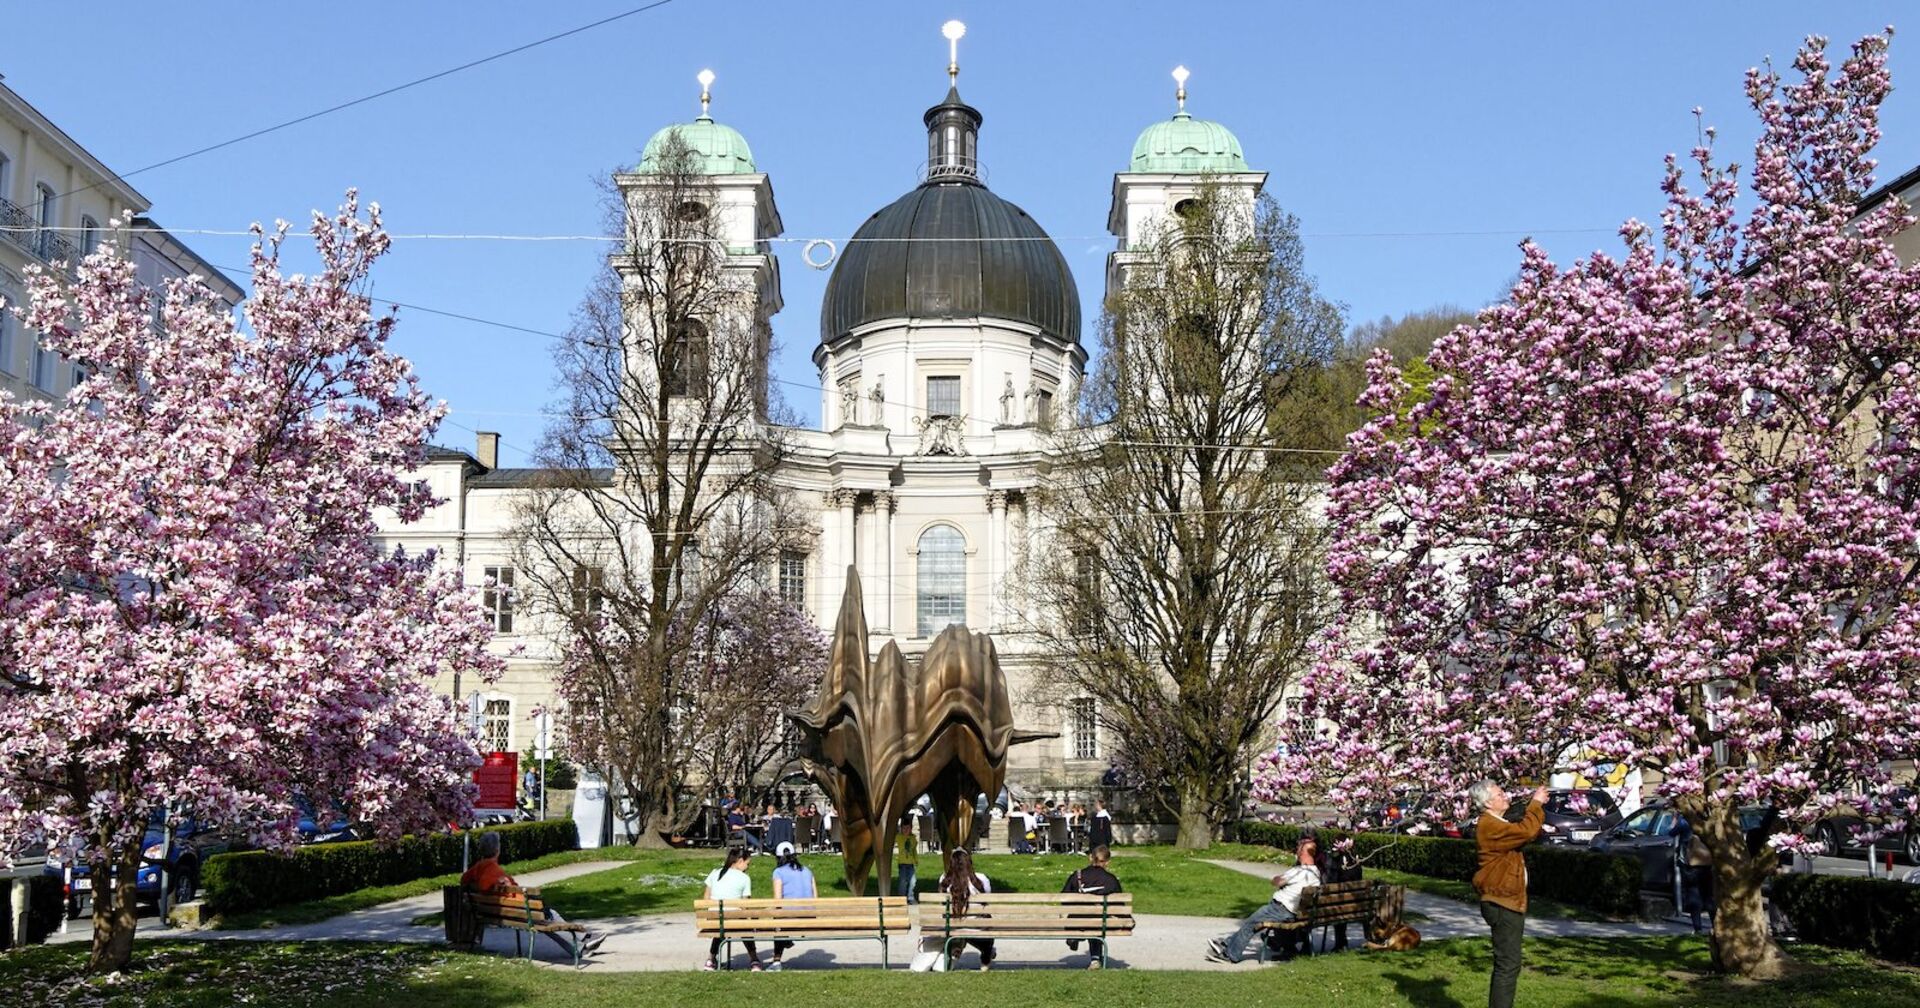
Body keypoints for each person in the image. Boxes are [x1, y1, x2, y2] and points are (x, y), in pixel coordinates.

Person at [460, 831, 606, 958]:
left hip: (496, 912)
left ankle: (582, 943)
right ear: (497, 850)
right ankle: (582, 942)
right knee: (548, 916)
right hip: (518, 912)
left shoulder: (477, 868)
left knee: (548, 915)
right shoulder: (494, 870)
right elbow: (507, 891)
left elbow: (464, 880)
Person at [1470, 780, 1546, 1008]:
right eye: (1500, 794)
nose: (1505, 796)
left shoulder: (1496, 822)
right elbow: (1528, 830)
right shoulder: (1490, 825)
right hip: (1502, 903)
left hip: (1506, 901)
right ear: (1487, 802)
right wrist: (1536, 804)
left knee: (1508, 963)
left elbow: (1520, 832)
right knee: (1508, 964)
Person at [1208, 837, 1319, 963]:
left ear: (1302, 853)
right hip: (1294, 912)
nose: (1297, 851)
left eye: (1299, 849)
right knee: (1254, 921)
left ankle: (1231, 954)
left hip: (1280, 909)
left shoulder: (1299, 871)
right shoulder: (1315, 873)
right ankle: (1225, 944)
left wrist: (1279, 878)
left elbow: (1277, 881)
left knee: (1251, 924)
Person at [912, 847, 997, 971]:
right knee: (985, 921)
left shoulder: (944, 880)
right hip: (977, 929)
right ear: (969, 862)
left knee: (959, 926)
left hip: (952, 927)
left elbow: (943, 904)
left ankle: (947, 953)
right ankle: (986, 959)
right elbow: (986, 900)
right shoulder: (980, 879)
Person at [1061, 844, 1124, 968]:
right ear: (1107, 862)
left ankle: (1075, 937)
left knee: (1086, 919)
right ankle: (1095, 959)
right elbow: (1120, 905)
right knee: (1097, 922)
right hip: (1100, 922)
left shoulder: (1077, 875)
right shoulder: (1111, 880)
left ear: (1090, 858)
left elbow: (1064, 898)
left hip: (1077, 921)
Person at [702, 846, 763, 971]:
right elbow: (745, 905)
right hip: (734, 920)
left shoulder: (715, 873)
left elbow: (706, 898)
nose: (747, 867)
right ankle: (754, 960)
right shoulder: (744, 878)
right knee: (745, 927)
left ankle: (711, 960)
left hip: (716, 920)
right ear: (740, 861)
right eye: (747, 864)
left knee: (721, 926)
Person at [766, 842, 816, 971]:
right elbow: (815, 897)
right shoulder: (807, 870)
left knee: (777, 920)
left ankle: (776, 961)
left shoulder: (778, 872)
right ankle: (786, 940)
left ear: (778, 857)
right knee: (781, 919)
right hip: (810, 916)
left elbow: (778, 901)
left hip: (790, 918)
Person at [1672, 816, 1715, 934]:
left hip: (1691, 866)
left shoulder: (1685, 820)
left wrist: (1674, 821)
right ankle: (1715, 925)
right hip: (1707, 865)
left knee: (1694, 896)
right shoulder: (1708, 820)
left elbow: (1671, 832)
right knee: (1709, 896)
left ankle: (1698, 928)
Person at [895, 817, 920, 904]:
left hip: (910, 864)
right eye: (904, 828)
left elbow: (914, 851)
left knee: (913, 881)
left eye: (908, 828)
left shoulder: (913, 839)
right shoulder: (899, 837)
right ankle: (901, 897)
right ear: (901, 829)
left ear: (911, 829)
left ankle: (910, 896)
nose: (906, 830)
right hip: (902, 864)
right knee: (903, 881)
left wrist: (916, 860)